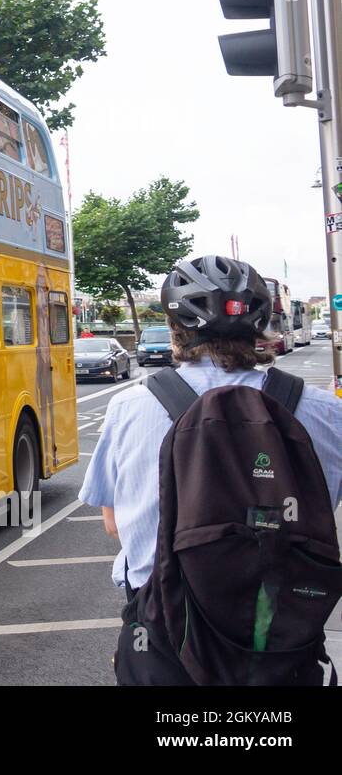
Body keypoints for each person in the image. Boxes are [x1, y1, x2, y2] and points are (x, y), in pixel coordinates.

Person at [79, 255, 342, 684]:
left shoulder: (132, 406)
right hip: (280, 633)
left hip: (167, 637)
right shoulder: (323, 411)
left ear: (175, 326)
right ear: (260, 325)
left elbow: (114, 524)